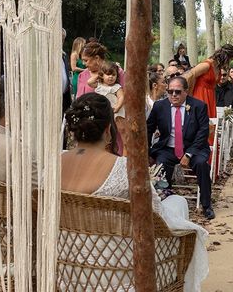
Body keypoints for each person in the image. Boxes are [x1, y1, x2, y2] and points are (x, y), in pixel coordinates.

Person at [62, 93, 209, 291]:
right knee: (178, 204)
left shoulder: (54, 163)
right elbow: (159, 218)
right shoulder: (124, 168)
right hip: (120, 272)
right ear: (108, 130)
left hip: (66, 267)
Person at [147, 76, 215, 220]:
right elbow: (148, 129)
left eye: (177, 92)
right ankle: (164, 203)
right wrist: (146, 152)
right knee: (161, 166)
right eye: (170, 91)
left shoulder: (199, 106)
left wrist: (189, 154)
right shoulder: (160, 106)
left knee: (202, 164)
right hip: (168, 148)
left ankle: (206, 205)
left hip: (194, 148)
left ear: (186, 91)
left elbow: (203, 132)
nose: (173, 95)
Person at [185, 44, 233, 119]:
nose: (229, 63)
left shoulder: (218, 68)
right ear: (226, 57)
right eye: (230, 60)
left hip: (211, 97)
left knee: (210, 123)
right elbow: (190, 75)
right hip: (200, 95)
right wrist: (190, 95)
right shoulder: (207, 65)